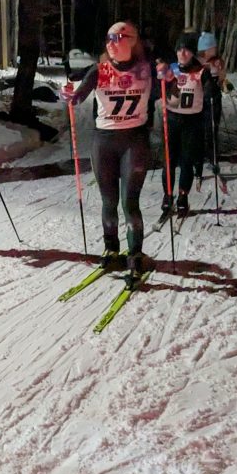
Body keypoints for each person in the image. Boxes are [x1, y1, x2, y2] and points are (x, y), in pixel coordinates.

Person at [60, 21, 158, 285]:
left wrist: (170, 79)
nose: (111, 42)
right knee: (108, 201)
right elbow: (77, 97)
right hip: (104, 141)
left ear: (133, 41)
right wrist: (68, 94)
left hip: (134, 140)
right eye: (108, 38)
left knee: (129, 202)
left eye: (118, 37)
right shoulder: (100, 70)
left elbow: (169, 92)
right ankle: (111, 248)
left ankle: (135, 255)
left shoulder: (147, 70)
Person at [156, 32, 220, 216]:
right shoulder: (170, 69)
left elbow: (210, 90)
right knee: (168, 161)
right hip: (172, 120)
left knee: (186, 161)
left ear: (193, 53)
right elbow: (155, 88)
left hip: (192, 122)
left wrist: (211, 88)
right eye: (179, 50)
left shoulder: (201, 71)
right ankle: (167, 196)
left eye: (186, 50)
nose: (182, 53)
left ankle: (183, 197)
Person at [196, 30, 227, 186]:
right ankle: (198, 170)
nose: (214, 50)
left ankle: (215, 164)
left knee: (213, 133)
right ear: (205, 48)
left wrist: (224, 81)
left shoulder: (218, 61)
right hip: (201, 102)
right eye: (212, 47)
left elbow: (222, 81)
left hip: (215, 100)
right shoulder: (196, 62)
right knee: (200, 135)